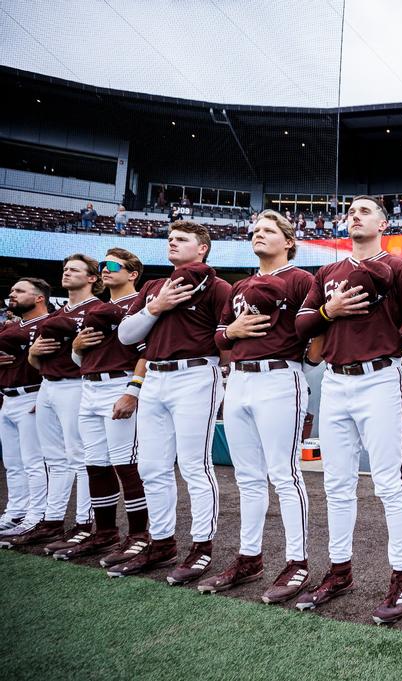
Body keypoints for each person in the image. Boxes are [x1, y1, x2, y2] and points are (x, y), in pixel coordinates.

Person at [294, 196, 402, 622]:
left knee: (390, 481)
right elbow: (301, 325)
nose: (355, 215)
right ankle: (339, 569)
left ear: (384, 223)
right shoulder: (328, 272)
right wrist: (328, 310)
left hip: (381, 377)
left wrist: (389, 342)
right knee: (336, 482)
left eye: (365, 210)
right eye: (350, 211)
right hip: (334, 380)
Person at [197, 210, 315, 604]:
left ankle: (297, 562)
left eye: (269, 230)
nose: (258, 234)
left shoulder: (301, 279)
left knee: (284, 473)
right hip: (241, 379)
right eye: (256, 230)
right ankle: (250, 557)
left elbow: (315, 332)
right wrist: (231, 331)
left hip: (281, 376)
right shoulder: (241, 285)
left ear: (289, 241)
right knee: (247, 477)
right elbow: (219, 337)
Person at [111, 221, 231, 584]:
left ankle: (202, 547)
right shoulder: (151, 286)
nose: (173, 242)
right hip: (155, 377)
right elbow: (126, 335)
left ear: (203, 248)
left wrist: (221, 376)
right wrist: (156, 306)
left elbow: (228, 341)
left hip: (196, 372)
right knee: (151, 466)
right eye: (170, 238)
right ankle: (161, 542)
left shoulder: (218, 286)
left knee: (195, 465)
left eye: (182, 239)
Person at [61, 249, 150, 565]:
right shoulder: (98, 308)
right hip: (89, 385)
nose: (105, 270)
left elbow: (146, 352)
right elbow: (83, 357)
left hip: (120, 383)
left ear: (132, 273)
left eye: (112, 265)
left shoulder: (139, 304)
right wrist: (75, 349)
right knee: (95, 463)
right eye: (102, 266)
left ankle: (139, 535)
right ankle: (106, 532)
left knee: (126, 463)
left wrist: (133, 391)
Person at [16, 256, 105, 553]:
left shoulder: (97, 309)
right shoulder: (56, 313)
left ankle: (83, 524)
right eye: (65, 269)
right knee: (54, 458)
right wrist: (33, 354)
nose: (67, 273)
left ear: (92, 278)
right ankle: (52, 520)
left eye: (75, 270)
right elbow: (35, 359)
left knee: (80, 457)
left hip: (78, 385)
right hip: (48, 385)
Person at [0, 278, 52, 546]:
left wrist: (46, 394)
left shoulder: (48, 324)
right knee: (13, 463)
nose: (13, 294)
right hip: (8, 397)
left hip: (33, 394)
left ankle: (37, 514)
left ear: (39, 297)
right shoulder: (12, 326)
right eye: (12, 290)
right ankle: (15, 512)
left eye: (19, 291)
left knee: (34, 462)